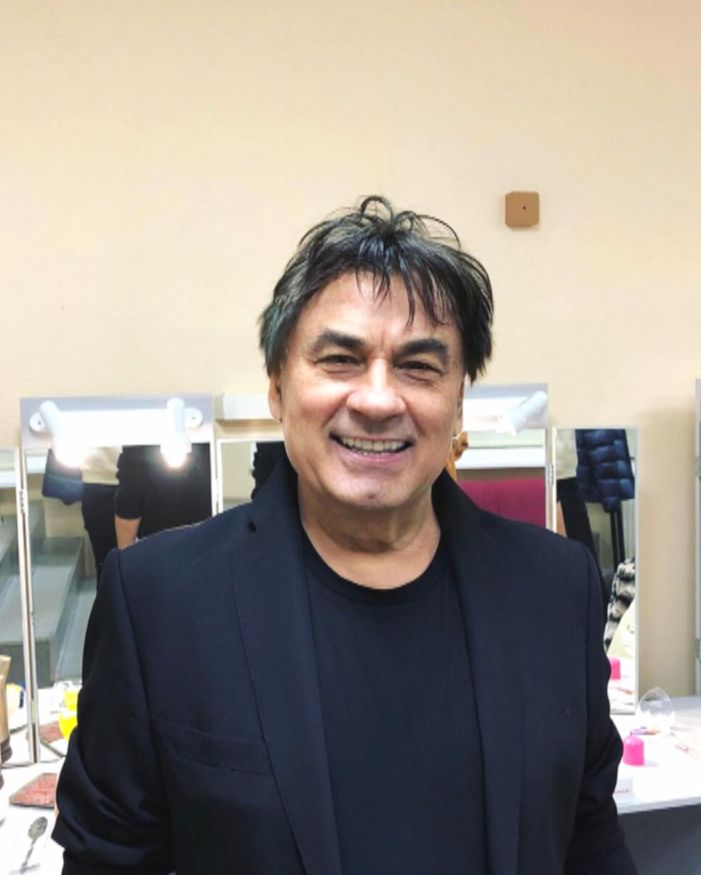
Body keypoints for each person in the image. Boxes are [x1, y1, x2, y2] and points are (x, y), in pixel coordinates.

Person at [53, 196, 637, 874]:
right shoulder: (159, 603)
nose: (378, 399)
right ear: (277, 388)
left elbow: (590, 842)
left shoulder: (555, 588)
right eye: (340, 359)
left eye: (419, 366)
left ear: (458, 401)